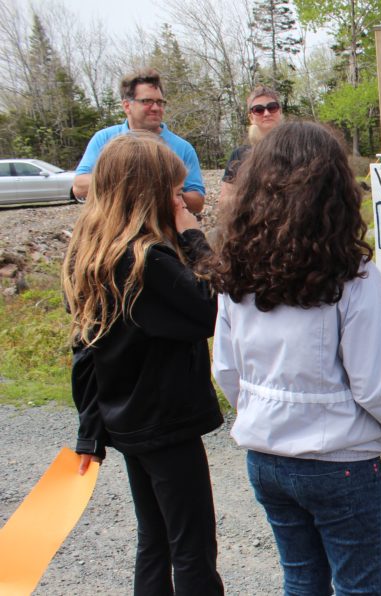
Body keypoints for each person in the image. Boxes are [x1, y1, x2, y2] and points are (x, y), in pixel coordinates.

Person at [210, 121, 381, 594]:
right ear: (335, 191)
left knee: (301, 581)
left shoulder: (235, 273)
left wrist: (263, 415)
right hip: (338, 463)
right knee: (358, 588)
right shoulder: (355, 280)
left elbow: (226, 369)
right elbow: (378, 388)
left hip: (267, 457)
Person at [63, 133, 224, 595]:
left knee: (154, 542)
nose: (183, 200)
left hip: (127, 419)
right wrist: (193, 236)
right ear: (148, 192)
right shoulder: (146, 259)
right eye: (175, 192)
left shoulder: (92, 251)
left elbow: (84, 348)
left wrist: (90, 429)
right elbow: (213, 308)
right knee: (192, 547)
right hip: (166, 421)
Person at [73, 68, 206, 214]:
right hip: (113, 231)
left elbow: (197, 202)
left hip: (164, 232)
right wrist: (132, 183)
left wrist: (159, 192)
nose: (156, 108)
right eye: (147, 101)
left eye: (160, 102)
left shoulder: (182, 148)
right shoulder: (104, 139)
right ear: (127, 105)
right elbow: (79, 187)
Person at [219, 84, 284, 210]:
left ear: (280, 111)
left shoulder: (298, 147)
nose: (266, 113)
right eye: (258, 110)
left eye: (272, 108)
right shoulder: (240, 155)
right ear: (251, 117)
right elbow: (224, 202)